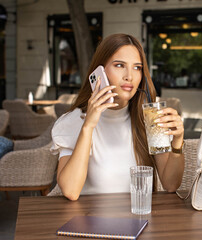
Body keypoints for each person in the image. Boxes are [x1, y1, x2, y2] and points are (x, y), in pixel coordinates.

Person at [51, 34, 185, 201]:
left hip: (140, 220)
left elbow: (171, 184)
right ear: (100, 71)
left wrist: (177, 142)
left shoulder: (150, 119)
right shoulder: (73, 121)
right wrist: (88, 126)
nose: (129, 76)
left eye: (137, 67)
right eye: (120, 65)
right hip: (90, 223)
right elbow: (71, 191)